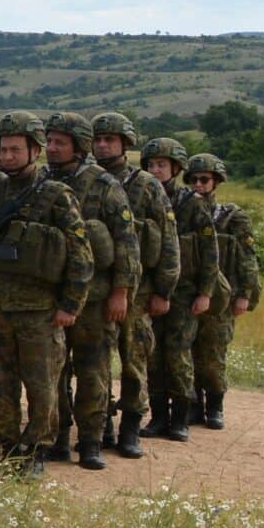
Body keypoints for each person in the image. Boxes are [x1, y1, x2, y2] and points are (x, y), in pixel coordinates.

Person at [0, 111, 93, 476]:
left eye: (16, 149)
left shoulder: (56, 196)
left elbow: (81, 255)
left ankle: (35, 451)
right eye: (2, 150)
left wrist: (70, 304)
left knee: (42, 384)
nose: (7, 157)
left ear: (35, 151)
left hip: (40, 309)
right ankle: (5, 446)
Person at [42, 112, 139, 470]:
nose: (51, 148)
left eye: (60, 142)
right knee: (52, 372)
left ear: (79, 148)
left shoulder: (104, 185)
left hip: (96, 299)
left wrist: (121, 292)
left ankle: (91, 441)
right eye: (49, 141)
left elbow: (127, 245)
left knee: (93, 371)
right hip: (50, 296)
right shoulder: (41, 183)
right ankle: (57, 436)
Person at [95, 113, 175, 457]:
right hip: (95, 287)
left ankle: (131, 427)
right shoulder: (87, 180)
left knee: (134, 361)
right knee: (93, 363)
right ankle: (98, 425)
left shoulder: (147, 185)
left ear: (126, 144)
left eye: (109, 140)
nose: (102, 145)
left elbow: (168, 240)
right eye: (97, 139)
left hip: (139, 291)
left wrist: (164, 290)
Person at [142, 138, 212, 440]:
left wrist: (206, 292)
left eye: (161, 164)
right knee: (152, 354)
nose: (155, 170)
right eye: (151, 164)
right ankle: (158, 416)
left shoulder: (192, 203)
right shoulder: (143, 198)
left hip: (184, 291)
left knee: (178, 352)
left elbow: (210, 252)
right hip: (149, 289)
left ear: (176, 168)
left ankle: (181, 416)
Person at [188, 154, 258, 428]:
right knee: (187, 353)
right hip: (190, 292)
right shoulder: (186, 212)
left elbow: (247, 256)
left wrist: (245, 294)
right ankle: (193, 404)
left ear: (216, 182)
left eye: (204, 180)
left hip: (223, 297)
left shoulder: (232, 216)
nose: (198, 185)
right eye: (193, 180)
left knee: (213, 355)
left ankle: (215, 405)